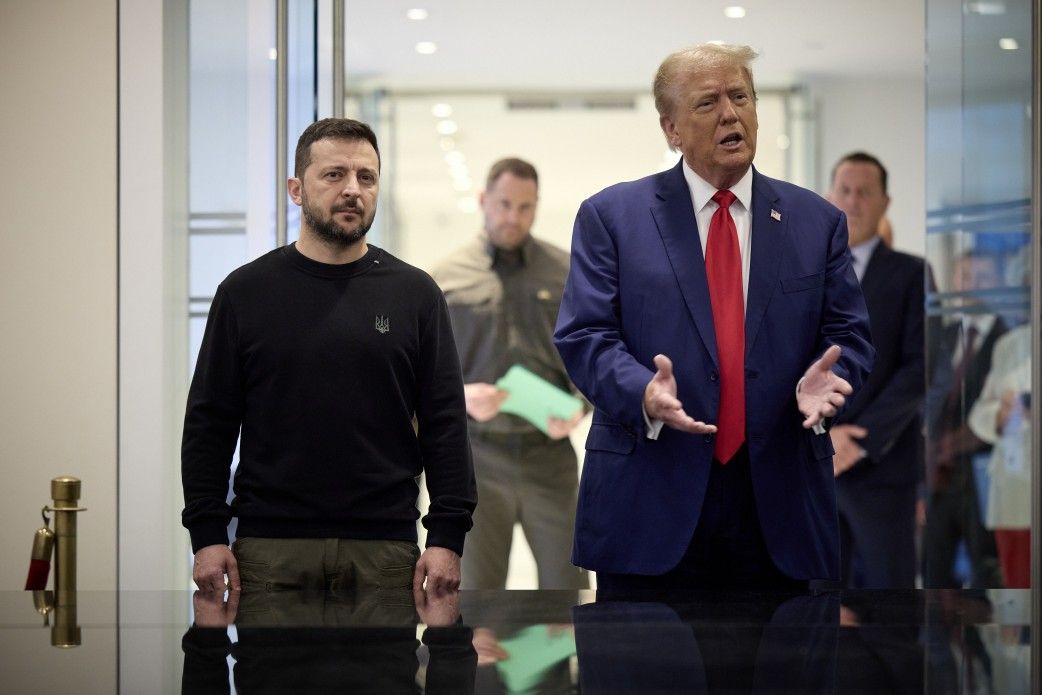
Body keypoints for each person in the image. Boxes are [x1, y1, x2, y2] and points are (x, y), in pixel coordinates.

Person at [553, 43, 874, 592]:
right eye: (707, 103)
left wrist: (828, 380)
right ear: (671, 129)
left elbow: (849, 334)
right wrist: (640, 391)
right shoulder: (611, 217)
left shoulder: (816, 221)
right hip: (648, 498)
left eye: (741, 97)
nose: (730, 114)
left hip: (781, 507)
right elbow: (585, 335)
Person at [181, 118, 476, 595]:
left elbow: (445, 423)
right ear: (296, 190)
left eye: (366, 177)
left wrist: (446, 536)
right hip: (270, 549)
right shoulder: (245, 293)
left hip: (385, 549)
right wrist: (207, 534)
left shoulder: (415, 295)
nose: (353, 189)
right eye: (334, 174)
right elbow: (209, 423)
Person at [431, 158, 588, 590]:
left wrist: (580, 405)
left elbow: (591, 351)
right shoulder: (445, 278)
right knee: (475, 599)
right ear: (484, 200)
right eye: (504, 204)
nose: (513, 217)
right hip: (477, 460)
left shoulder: (566, 272)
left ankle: (560, 644)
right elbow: (424, 370)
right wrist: (461, 395)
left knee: (567, 592)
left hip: (550, 457)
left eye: (525, 207)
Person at [826, 152, 926, 589]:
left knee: (890, 606)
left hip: (883, 471)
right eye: (845, 191)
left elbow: (920, 367)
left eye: (865, 192)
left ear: (885, 202)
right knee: (818, 605)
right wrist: (822, 435)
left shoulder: (911, 274)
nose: (853, 201)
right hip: (815, 467)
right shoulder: (802, 274)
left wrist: (858, 440)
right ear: (829, 198)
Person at [922, 251, 1005, 588]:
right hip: (938, 477)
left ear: (998, 284)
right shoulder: (942, 335)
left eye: (982, 278)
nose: (971, 286)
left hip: (982, 474)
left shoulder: (1008, 339)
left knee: (987, 578)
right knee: (933, 576)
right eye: (965, 276)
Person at [968, 322, 1031, 588]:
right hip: (1014, 494)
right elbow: (979, 415)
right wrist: (1001, 415)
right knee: (1018, 597)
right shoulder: (1010, 345)